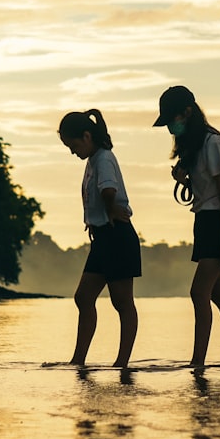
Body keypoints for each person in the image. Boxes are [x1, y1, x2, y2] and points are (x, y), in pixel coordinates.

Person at [153, 86, 220, 367]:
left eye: (172, 120)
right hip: (205, 221)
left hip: (219, 223)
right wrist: (184, 180)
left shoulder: (213, 143)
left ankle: (198, 362)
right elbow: (208, 191)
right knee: (219, 295)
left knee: (199, 292)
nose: (171, 128)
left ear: (187, 113)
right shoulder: (195, 147)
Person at [58, 109, 141, 368]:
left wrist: (109, 211)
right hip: (103, 238)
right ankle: (78, 360)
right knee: (83, 297)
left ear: (86, 136)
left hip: (117, 236)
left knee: (122, 302)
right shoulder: (92, 160)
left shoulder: (104, 158)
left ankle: (122, 363)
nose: (73, 152)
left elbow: (108, 189)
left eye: (73, 145)